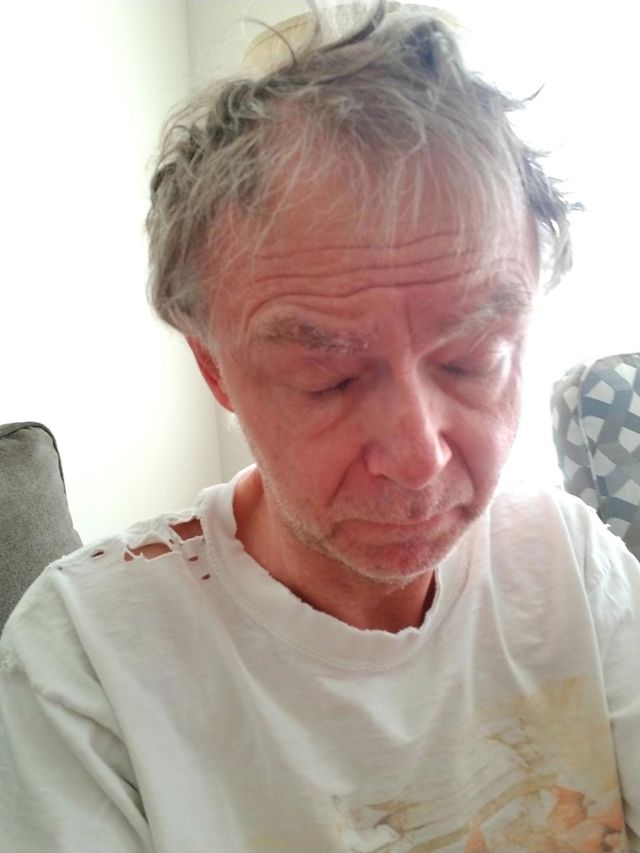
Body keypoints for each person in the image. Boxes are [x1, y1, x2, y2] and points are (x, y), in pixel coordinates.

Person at [1, 3, 638, 851]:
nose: (418, 457)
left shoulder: (568, 561)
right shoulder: (85, 662)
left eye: (472, 360)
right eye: (327, 378)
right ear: (214, 368)